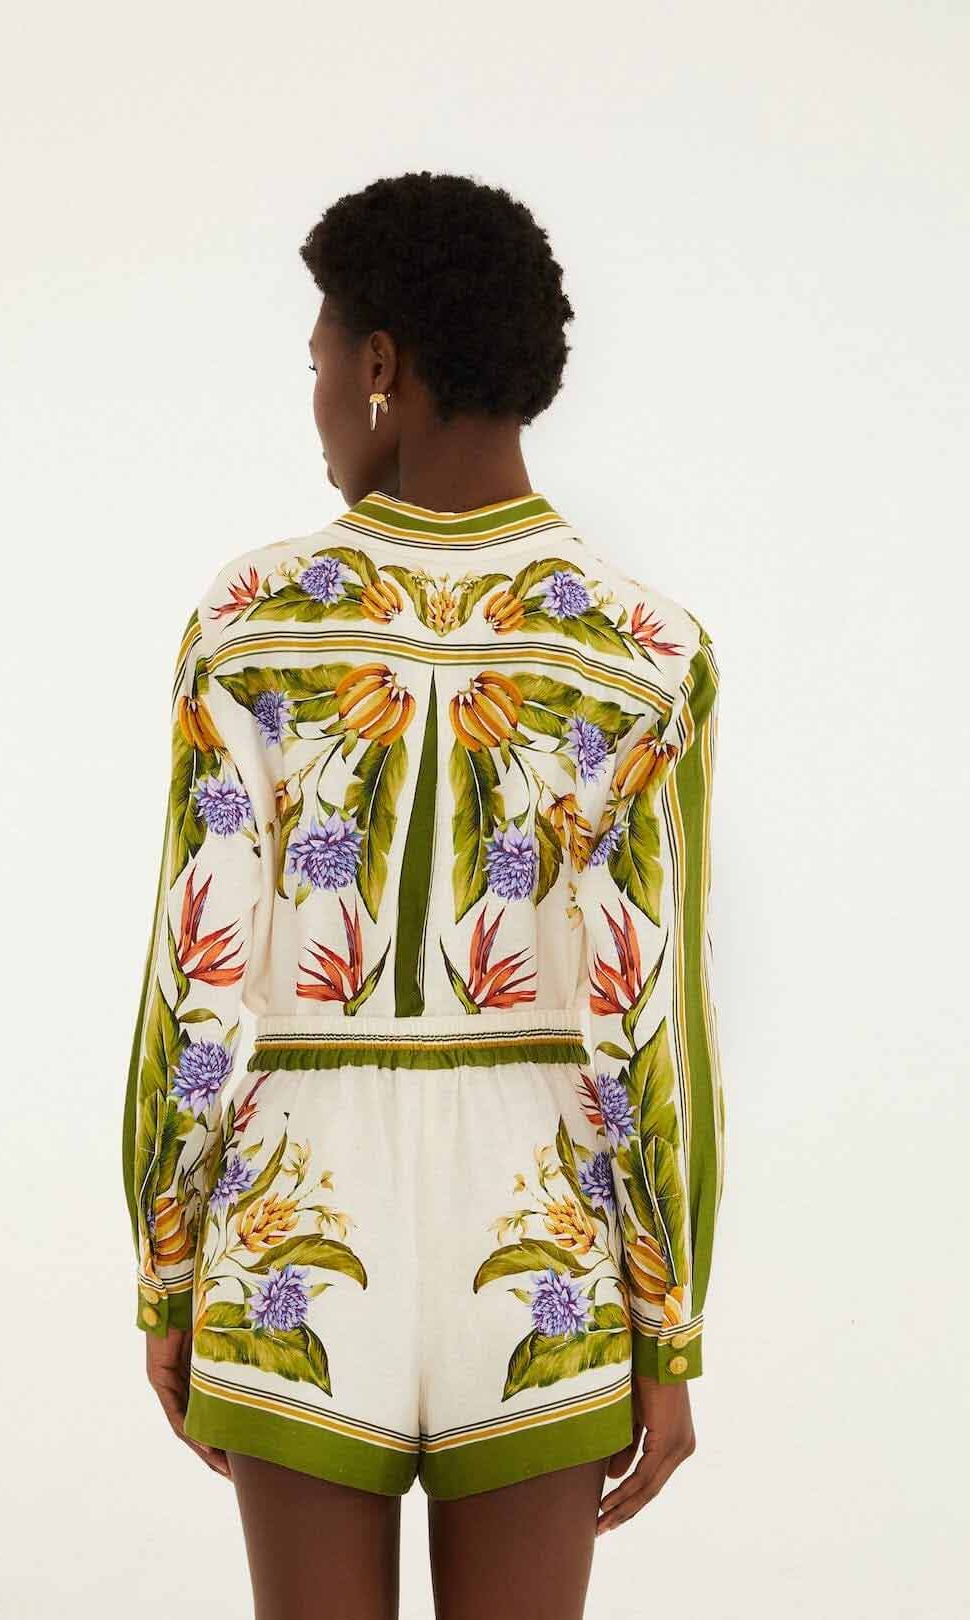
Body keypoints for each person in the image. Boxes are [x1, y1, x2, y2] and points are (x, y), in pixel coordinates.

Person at [121, 170, 724, 1620]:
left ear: (380, 362)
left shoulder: (249, 624)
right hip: (543, 1231)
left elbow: (199, 982)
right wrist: (670, 1323)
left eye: (321, 360)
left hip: (295, 1212)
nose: (320, 399)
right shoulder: (648, 653)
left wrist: (167, 1259)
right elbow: (649, 1015)